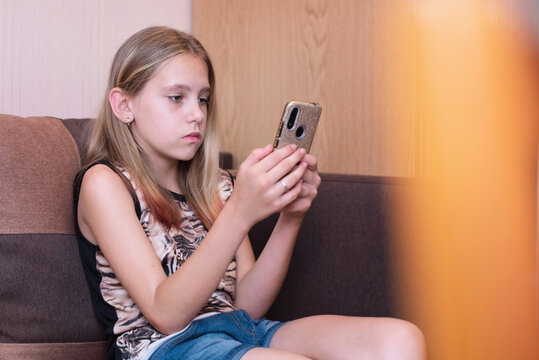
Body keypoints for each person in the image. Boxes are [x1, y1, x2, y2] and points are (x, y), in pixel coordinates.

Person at [74, 26, 425, 360]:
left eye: (203, 99)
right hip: (163, 347)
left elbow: (248, 306)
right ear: (124, 105)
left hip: (237, 329)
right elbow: (165, 314)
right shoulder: (106, 183)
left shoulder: (215, 185)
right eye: (176, 98)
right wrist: (240, 211)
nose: (197, 114)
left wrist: (291, 216)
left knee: (401, 339)